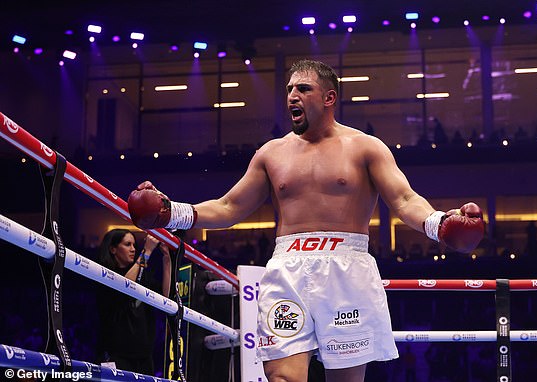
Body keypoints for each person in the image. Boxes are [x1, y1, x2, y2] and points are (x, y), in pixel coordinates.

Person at [127, 59, 484, 382]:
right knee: (282, 378)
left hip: (346, 269)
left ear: (329, 98)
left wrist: (440, 224)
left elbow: (404, 200)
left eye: (303, 89)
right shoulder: (272, 153)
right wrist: (171, 212)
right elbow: (230, 207)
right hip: (287, 269)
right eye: (288, 90)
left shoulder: (366, 147)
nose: (292, 96)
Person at [96, 229, 171, 375]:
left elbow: (166, 297)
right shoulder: (103, 273)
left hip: (143, 357)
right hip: (116, 355)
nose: (133, 249)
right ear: (113, 249)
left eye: (134, 245)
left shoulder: (141, 272)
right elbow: (124, 287)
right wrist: (146, 252)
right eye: (127, 244)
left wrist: (167, 259)